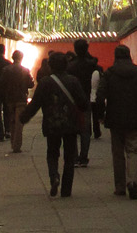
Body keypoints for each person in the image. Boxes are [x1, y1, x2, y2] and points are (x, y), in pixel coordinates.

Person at [20, 50, 89, 197]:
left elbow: (35, 104)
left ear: (51, 66)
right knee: (70, 156)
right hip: (70, 124)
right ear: (66, 65)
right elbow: (83, 103)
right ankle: (66, 189)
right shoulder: (73, 81)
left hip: (52, 123)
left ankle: (54, 177)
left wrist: (24, 117)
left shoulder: (45, 82)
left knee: (52, 153)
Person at [96, 44, 137, 199]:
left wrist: (101, 114)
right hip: (135, 119)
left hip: (115, 118)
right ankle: (132, 181)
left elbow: (100, 96)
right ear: (129, 56)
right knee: (133, 150)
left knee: (118, 152)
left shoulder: (109, 74)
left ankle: (120, 186)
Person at [65, 38, 100, 166]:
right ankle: (83, 157)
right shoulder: (91, 65)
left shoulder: (70, 66)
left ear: (75, 49)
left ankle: (74, 157)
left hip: (72, 101)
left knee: (72, 129)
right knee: (85, 130)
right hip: (86, 99)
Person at [0, 50, 34, 152]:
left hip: (10, 99)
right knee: (19, 122)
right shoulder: (25, 70)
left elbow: (1, 83)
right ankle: (16, 145)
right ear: (21, 58)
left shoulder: (6, 70)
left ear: (12, 57)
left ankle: (13, 142)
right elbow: (31, 84)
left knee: (12, 121)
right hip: (21, 98)